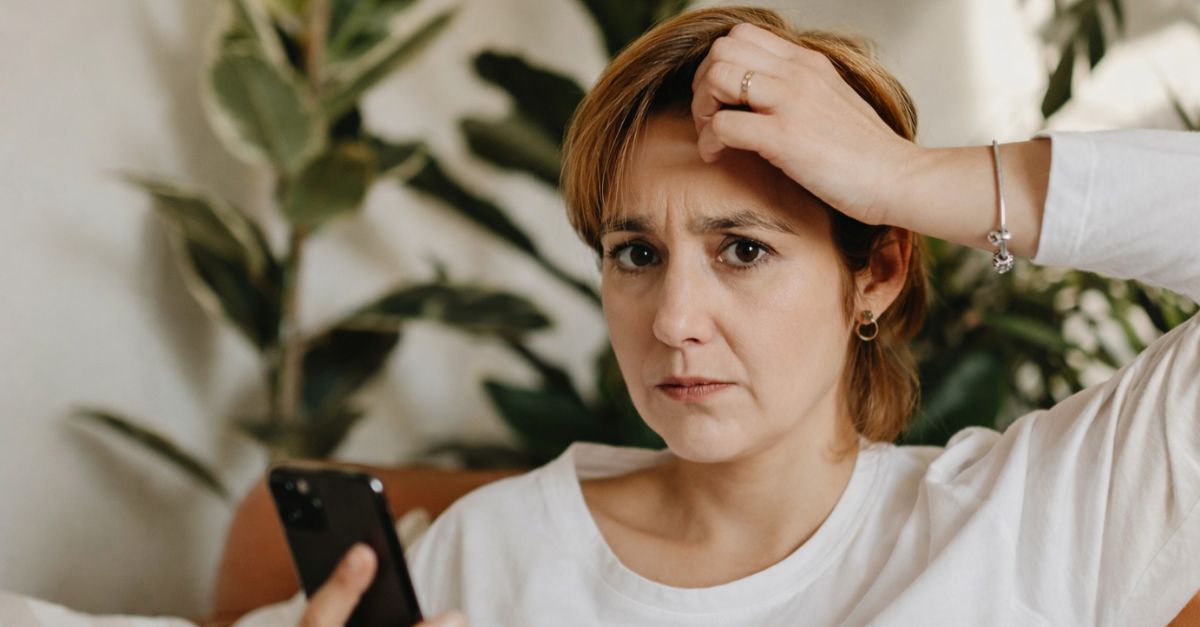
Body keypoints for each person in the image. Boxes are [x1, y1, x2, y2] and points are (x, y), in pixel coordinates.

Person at [297, 6, 1200, 626]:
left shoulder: (1031, 526)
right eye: (636, 254)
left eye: (742, 249)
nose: (674, 320)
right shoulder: (491, 553)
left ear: (878, 271)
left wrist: (904, 175)